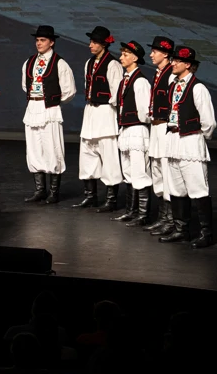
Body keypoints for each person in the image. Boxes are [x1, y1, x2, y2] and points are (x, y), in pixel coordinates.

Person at [160, 45, 217, 248]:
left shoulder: (198, 88)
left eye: (176, 61)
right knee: (177, 189)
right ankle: (181, 229)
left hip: (191, 141)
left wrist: (197, 137)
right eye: (172, 60)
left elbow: (209, 122)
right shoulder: (173, 84)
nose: (172, 63)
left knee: (198, 189)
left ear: (188, 65)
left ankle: (206, 233)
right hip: (174, 140)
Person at [20, 25, 76, 205]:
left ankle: (53, 191)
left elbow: (69, 90)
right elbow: (24, 85)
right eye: (37, 40)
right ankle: (40, 190)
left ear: (51, 42)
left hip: (49, 109)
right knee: (34, 149)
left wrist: (52, 100)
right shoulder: (29, 62)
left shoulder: (60, 63)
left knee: (53, 148)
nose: (39, 43)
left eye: (43, 40)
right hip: (33, 108)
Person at [76, 26, 124, 210]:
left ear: (104, 44)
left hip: (105, 111)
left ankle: (111, 199)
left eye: (94, 42)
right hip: (91, 111)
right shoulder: (89, 63)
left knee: (108, 154)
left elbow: (116, 92)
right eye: (91, 42)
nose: (91, 45)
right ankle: (90, 195)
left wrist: (109, 107)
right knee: (87, 152)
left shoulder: (112, 64)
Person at [113, 41, 154, 225]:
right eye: (122, 54)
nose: (121, 57)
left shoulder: (140, 81)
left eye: (125, 54)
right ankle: (131, 210)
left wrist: (135, 121)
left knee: (139, 172)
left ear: (135, 57)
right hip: (126, 130)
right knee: (128, 172)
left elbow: (145, 111)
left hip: (137, 130)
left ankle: (143, 214)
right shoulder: (125, 80)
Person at [141, 36, 177, 235]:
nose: (151, 54)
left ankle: (171, 220)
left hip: (164, 127)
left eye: (155, 51)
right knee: (157, 170)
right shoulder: (159, 73)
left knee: (166, 170)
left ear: (165, 54)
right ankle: (163, 216)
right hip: (155, 127)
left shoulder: (171, 74)